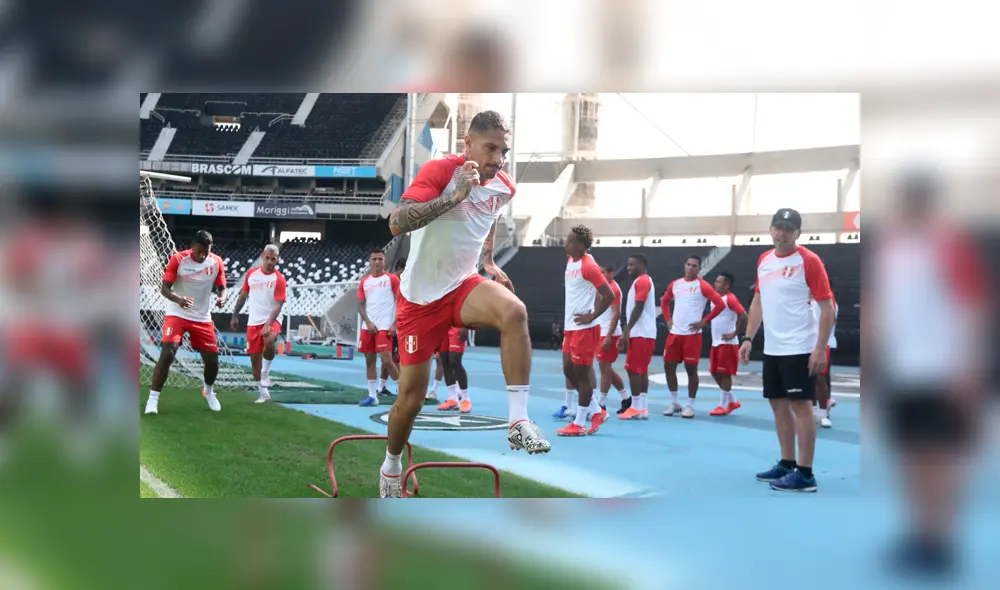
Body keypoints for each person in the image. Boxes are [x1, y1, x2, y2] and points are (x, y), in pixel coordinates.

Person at [380, 110, 550, 498]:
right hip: (420, 300)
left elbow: (490, 215)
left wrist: (488, 260)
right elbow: (396, 221)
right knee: (411, 399)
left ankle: (518, 421)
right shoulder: (442, 170)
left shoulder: (505, 187)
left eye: (504, 151)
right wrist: (453, 196)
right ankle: (390, 467)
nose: (499, 159)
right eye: (491, 148)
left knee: (515, 311)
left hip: (462, 286)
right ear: (468, 144)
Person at [739, 208, 835, 493]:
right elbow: (758, 302)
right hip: (773, 348)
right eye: (778, 227)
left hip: (800, 347)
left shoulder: (809, 261)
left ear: (798, 233)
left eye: (788, 229)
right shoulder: (764, 260)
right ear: (770, 229)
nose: (782, 233)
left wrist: (820, 348)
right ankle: (787, 462)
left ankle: (805, 474)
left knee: (801, 406)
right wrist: (748, 338)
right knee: (778, 404)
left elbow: (827, 309)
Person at [144, 230, 227, 415]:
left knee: (212, 360)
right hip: (177, 313)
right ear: (193, 246)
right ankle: (153, 400)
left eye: (207, 251)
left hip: (201, 317)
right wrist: (178, 299)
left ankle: (208, 391)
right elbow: (164, 289)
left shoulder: (216, 262)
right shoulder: (178, 259)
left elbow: (223, 288)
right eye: (200, 251)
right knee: (168, 352)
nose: (203, 255)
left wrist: (222, 298)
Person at [555, 226, 613, 436]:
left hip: (585, 329)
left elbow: (609, 295)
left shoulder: (589, 266)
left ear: (581, 245)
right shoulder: (571, 260)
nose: (566, 243)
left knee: (582, 376)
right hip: (571, 327)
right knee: (568, 370)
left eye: (570, 241)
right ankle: (597, 411)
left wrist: (592, 316)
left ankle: (579, 423)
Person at [660, 255, 725, 418]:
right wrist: (668, 319)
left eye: (694, 266)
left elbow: (720, 304)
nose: (690, 268)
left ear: (699, 269)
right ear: (685, 265)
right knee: (668, 367)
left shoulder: (703, 286)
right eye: (688, 264)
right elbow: (665, 301)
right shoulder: (676, 284)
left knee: (691, 370)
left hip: (692, 335)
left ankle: (690, 405)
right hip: (675, 333)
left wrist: (704, 322)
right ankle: (675, 402)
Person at [229, 244, 286, 404]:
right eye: (267, 258)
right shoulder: (251, 274)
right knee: (254, 359)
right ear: (262, 256)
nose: (269, 261)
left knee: (269, 339)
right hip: (253, 321)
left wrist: (268, 323)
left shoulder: (279, 279)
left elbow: (278, 305)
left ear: (277, 260)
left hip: (272, 318)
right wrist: (235, 315)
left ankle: (265, 371)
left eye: (273, 259)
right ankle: (263, 393)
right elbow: (243, 295)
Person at [356, 249, 401, 407]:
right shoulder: (365, 281)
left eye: (380, 259)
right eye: (374, 259)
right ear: (370, 261)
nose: (377, 262)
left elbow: (401, 301)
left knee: (387, 360)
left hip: (385, 326)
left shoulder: (392, 279)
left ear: (384, 261)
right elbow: (360, 305)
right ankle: (372, 396)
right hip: (368, 326)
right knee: (369, 361)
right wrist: (367, 322)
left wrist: (395, 323)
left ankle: (403, 392)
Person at [617, 254, 656, 420]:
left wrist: (627, 330)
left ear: (641, 265)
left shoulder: (642, 281)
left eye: (632, 265)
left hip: (641, 333)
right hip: (643, 333)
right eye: (628, 265)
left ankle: (635, 407)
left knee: (633, 369)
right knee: (641, 370)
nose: (628, 268)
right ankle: (642, 407)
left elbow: (639, 306)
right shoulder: (642, 281)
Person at [707, 272, 746, 416]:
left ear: (727, 285)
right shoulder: (715, 299)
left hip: (727, 343)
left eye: (719, 282)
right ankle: (732, 401)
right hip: (716, 342)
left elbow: (743, 315)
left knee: (725, 374)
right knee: (714, 372)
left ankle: (723, 405)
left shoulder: (730, 298)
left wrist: (734, 333)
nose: (715, 284)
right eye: (715, 281)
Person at [594, 264, 629, 414]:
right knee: (606, 369)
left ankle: (601, 404)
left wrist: (609, 337)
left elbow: (616, 314)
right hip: (601, 331)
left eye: (603, 272)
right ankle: (626, 398)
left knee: (605, 370)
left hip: (610, 333)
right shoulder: (601, 288)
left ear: (611, 273)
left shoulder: (614, 289)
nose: (600, 275)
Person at [378, 258, 407, 396]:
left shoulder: (399, 282)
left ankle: (381, 387)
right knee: (393, 358)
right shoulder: (395, 282)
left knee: (388, 358)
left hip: (392, 323)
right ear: (400, 268)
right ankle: (401, 387)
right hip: (394, 324)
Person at [812, 287, 838, 428]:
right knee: (808, 378)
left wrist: (821, 343)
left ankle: (822, 413)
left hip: (822, 343)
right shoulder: (804, 293)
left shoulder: (827, 295)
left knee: (820, 378)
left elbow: (830, 318)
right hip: (804, 342)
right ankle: (812, 410)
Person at [435, 327, 472, 412]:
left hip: (457, 327)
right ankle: (453, 398)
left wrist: (465, 327)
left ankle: (465, 399)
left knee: (455, 360)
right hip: (443, 327)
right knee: (444, 360)